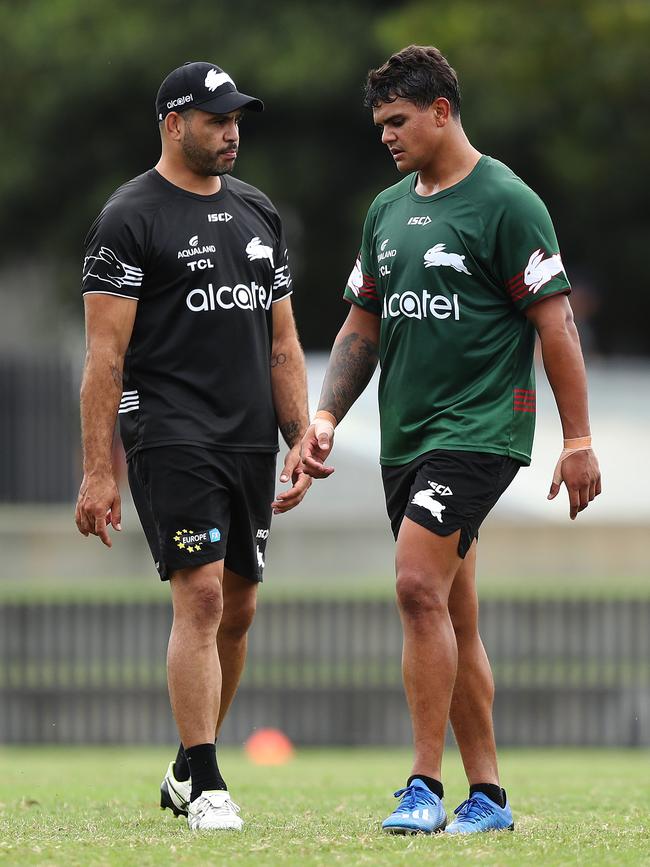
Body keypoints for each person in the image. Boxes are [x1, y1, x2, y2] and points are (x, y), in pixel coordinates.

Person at [300, 45, 601, 836]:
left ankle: (422, 786)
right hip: (406, 438)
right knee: (451, 613)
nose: (388, 137)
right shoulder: (386, 211)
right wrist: (324, 417)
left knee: (413, 584)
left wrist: (578, 438)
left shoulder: (508, 201)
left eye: (399, 121)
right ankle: (489, 797)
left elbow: (556, 323)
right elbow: (362, 325)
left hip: (481, 427)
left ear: (441, 111)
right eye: (380, 125)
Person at [75, 61, 311, 832]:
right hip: (170, 430)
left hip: (248, 437)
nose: (232, 130)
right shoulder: (128, 216)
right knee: (201, 594)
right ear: (174, 124)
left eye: (237, 117)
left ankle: (184, 765)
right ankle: (208, 778)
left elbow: (282, 341)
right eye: (216, 118)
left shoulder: (258, 211)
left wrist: (300, 437)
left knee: (238, 609)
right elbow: (104, 360)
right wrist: (95, 472)